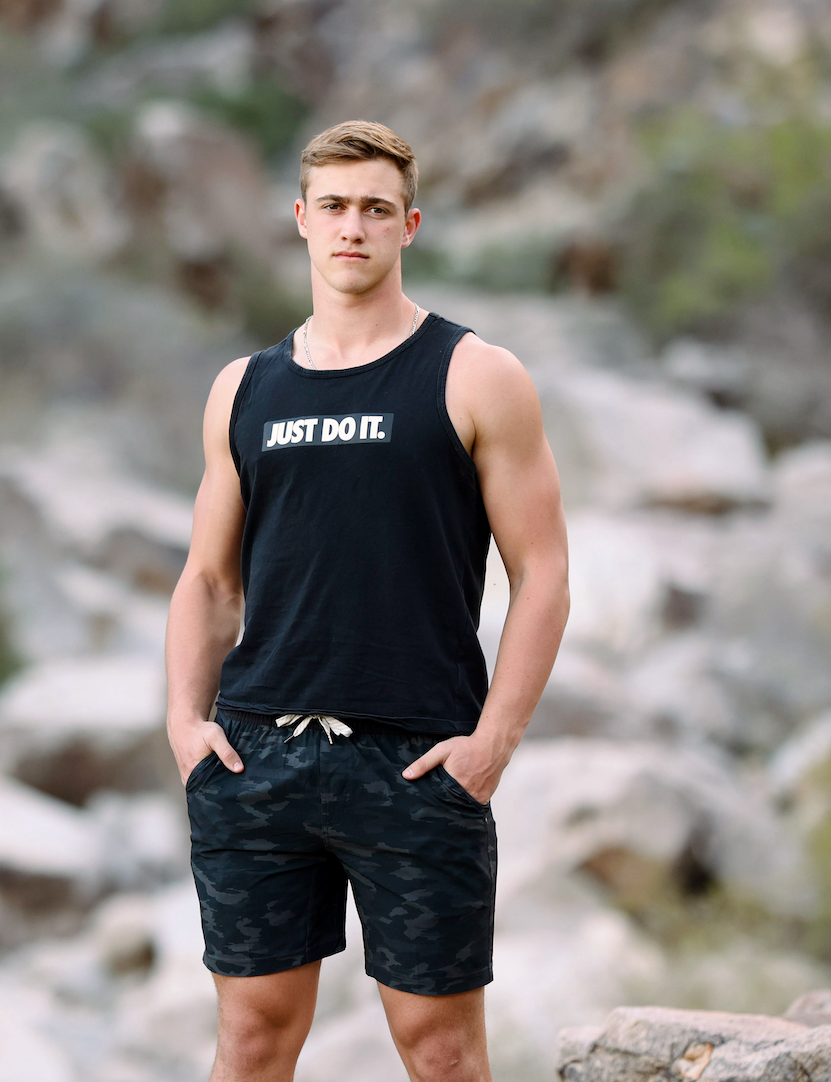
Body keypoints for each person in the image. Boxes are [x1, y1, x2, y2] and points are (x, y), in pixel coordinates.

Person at [165, 119, 570, 1082]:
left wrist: (492, 746)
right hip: (256, 757)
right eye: (336, 207)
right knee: (251, 1043)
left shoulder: (475, 375)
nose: (354, 227)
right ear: (302, 219)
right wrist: (185, 723)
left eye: (377, 210)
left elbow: (545, 572)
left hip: (417, 760)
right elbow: (211, 580)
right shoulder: (244, 388)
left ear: (408, 225)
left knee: (442, 1051)